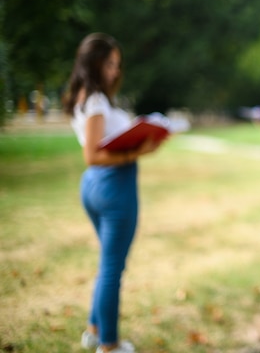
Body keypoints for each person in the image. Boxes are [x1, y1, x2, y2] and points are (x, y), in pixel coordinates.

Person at [62, 33, 162, 353]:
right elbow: (92, 154)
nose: (115, 71)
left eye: (118, 65)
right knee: (112, 269)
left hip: (96, 187)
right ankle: (109, 345)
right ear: (92, 63)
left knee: (110, 265)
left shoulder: (86, 97)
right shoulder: (94, 101)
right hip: (112, 187)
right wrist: (137, 152)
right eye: (109, 64)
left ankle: (94, 329)